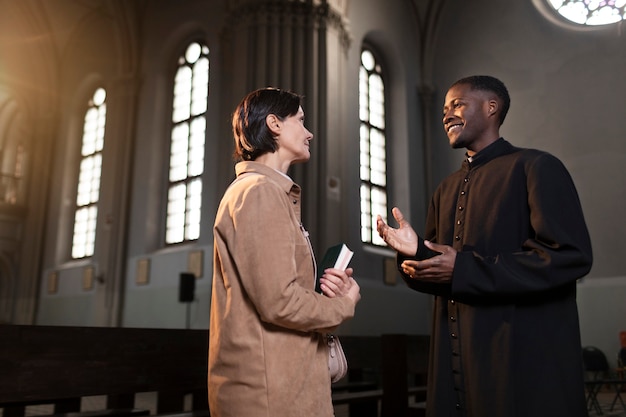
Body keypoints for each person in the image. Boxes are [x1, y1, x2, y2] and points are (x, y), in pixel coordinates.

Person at [377, 75, 592, 417]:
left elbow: (570, 257)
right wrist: (415, 252)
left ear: (491, 107)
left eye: (457, 104)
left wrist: (462, 267)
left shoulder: (536, 167)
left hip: (523, 359)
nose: (446, 114)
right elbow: (442, 268)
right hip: (459, 356)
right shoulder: (445, 189)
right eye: (444, 109)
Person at [208, 87, 361, 417]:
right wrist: (342, 305)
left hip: (282, 382)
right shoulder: (260, 193)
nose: (310, 133)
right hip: (269, 394)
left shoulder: (266, 192)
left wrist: (327, 289)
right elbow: (280, 300)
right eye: (301, 120)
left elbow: (280, 289)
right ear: (274, 124)